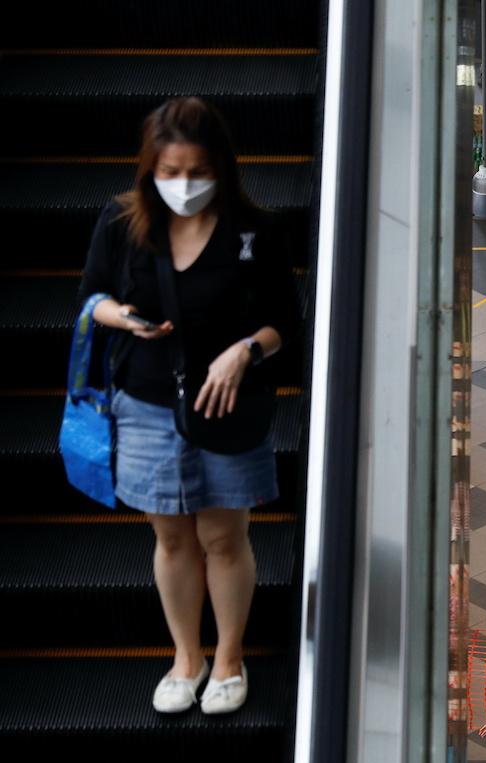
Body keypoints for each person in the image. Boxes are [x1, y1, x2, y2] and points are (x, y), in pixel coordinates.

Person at [77, 97, 299, 715]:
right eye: (170, 172)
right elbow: (91, 297)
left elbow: (285, 322)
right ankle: (186, 656)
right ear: (150, 169)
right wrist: (123, 316)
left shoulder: (256, 230)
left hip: (230, 403)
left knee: (224, 535)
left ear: (221, 168)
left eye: (196, 172)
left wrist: (244, 351)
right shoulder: (122, 224)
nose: (183, 185)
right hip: (146, 401)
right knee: (171, 535)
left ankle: (228, 656)